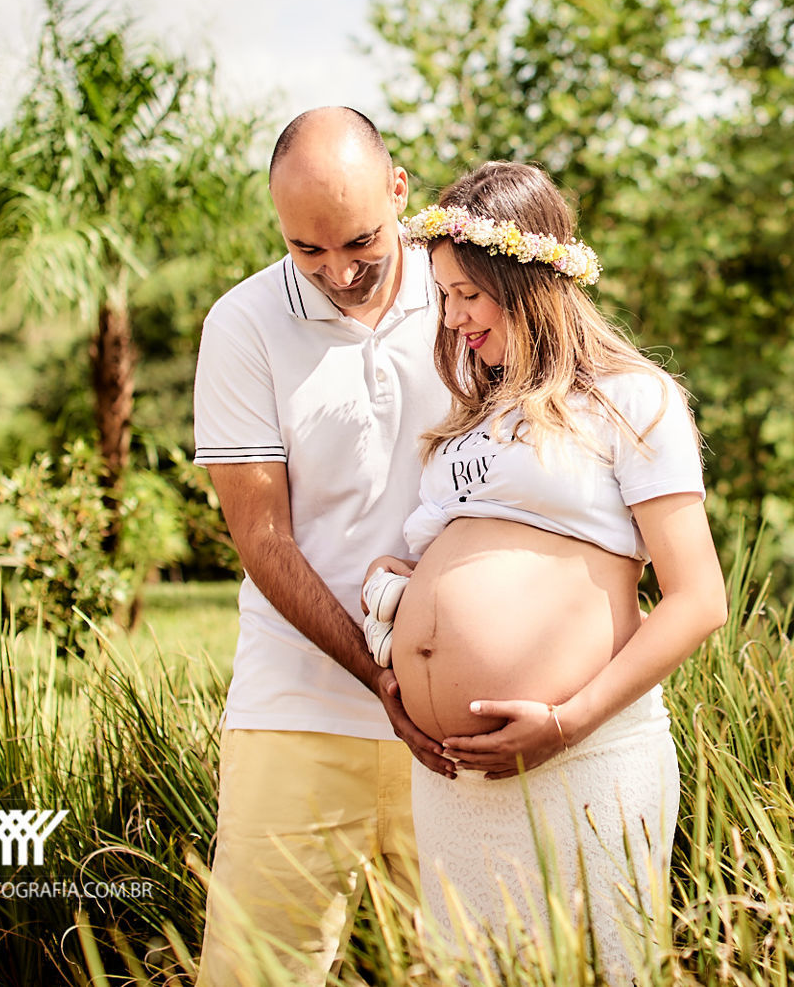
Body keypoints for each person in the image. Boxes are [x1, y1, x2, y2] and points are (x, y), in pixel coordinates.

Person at [358, 161, 728, 985]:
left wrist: (569, 721)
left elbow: (699, 600)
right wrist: (401, 614)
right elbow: (444, 562)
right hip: (456, 779)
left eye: (468, 295)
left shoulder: (634, 401)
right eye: (444, 297)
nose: (453, 320)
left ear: (526, 282)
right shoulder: (466, 424)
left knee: (599, 969)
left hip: (583, 758)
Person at [191, 107, 457, 987]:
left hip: (459, 713)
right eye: (308, 250)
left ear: (399, 191)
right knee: (253, 973)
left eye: (359, 242)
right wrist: (380, 679)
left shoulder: (470, 299)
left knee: (479, 966)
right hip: (295, 706)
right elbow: (261, 537)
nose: (338, 271)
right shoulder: (242, 324)